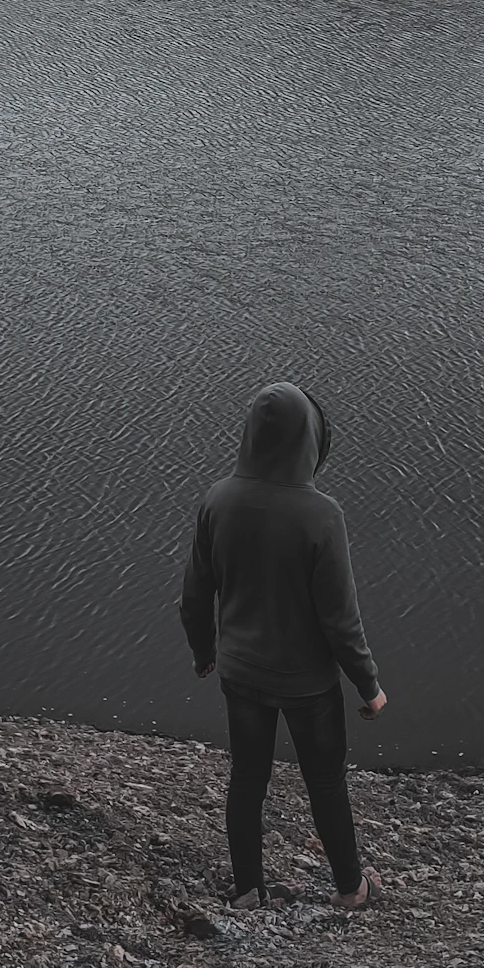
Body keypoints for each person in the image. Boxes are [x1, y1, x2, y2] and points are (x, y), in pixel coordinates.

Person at [179, 382, 388, 911]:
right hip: (306, 684)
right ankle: (350, 888)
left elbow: (194, 595)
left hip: (240, 673)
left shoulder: (217, 499)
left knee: (248, 778)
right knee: (325, 782)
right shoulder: (321, 514)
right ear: (310, 442)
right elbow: (340, 620)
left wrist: (203, 651)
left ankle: (248, 887)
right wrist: (368, 684)